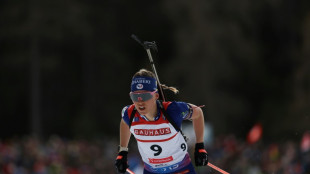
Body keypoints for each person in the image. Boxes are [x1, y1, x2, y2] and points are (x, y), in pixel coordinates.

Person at [115, 69, 208, 174]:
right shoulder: (129, 113)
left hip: (181, 169)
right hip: (152, 171)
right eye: (135, 96)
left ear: (156, 95)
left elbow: (198, 113)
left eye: (145, 96)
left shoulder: (173, 110)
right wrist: (123, 151)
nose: (140, 101)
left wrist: (200, 146)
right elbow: (124, 122)